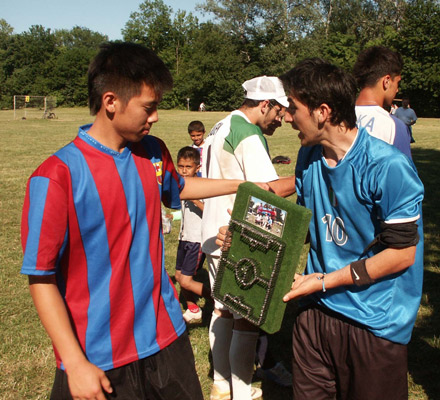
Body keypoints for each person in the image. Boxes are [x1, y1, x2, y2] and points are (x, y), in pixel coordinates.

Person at [20, 42, 262, 400]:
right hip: (98, 356)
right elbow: (41, 277)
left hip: (167, 339)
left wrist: (241, 183)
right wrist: (74, 361)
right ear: (111, 102)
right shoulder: (56, 177)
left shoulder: (152, 152)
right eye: (149, 107)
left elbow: (178, 187)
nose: (156, 117)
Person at [279, 58, 424, 399]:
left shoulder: (388, 167)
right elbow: (306, 224)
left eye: (293, 108)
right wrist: (249, 238)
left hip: (374, 321)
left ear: (322, 112)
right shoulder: (308, 156)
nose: (287, 117)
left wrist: (327, 280)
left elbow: (401, 255)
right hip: (316, 312)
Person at [201, 75, 295, 400]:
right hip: (235, 234)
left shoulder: (220, 125)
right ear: (265, 104)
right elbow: (267, 191)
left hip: (210, 232)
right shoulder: (249, 133)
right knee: (247, 318)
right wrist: (304, 176)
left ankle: (220, 385)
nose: (281, 121)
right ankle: (242, 393)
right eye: (279, 112)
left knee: (222, 310)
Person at [353, 46, 412, 158]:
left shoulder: (334, 118)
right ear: (387, 81)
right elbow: (403, 173)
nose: (397, 89)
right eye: (397, 83)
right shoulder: (394, 127)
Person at [174, 146, 210, 322]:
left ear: (197, 167)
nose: (184, 170)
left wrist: (194, 199)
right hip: (184, 237)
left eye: (188, 167)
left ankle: (217, 300)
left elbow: (209, 212)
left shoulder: (203, 186)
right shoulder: (181, 185)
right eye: (181, 166)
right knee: (180, 277)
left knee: (186, 280)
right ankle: (193, 308)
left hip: (197, 239)